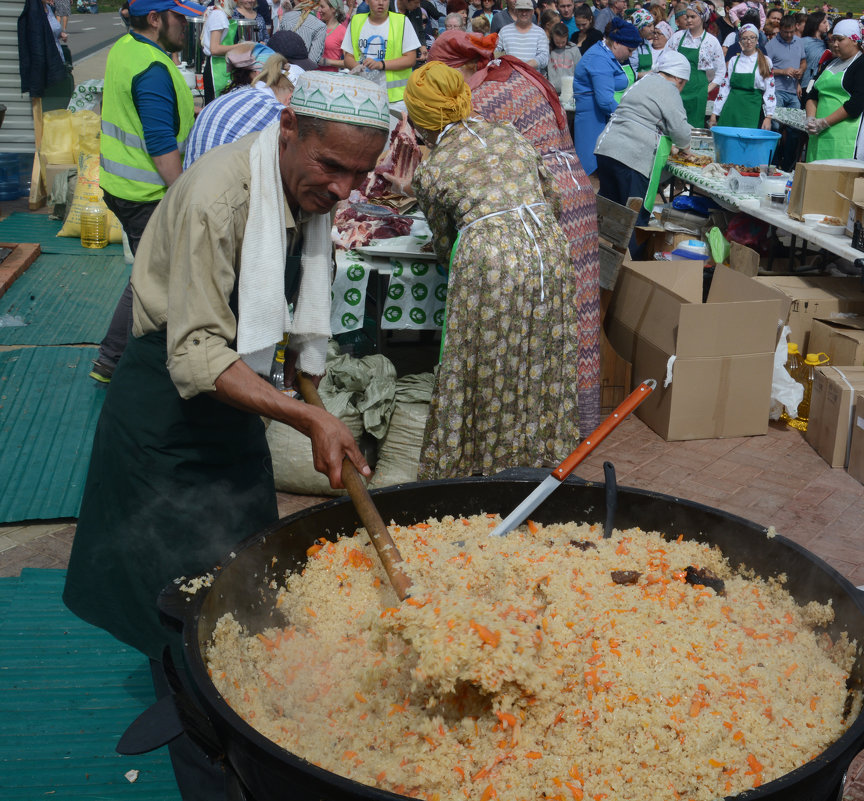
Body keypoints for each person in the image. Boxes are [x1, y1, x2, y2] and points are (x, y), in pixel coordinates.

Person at [63, 79, 389, 801]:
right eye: (332, 166)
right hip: (166, 415)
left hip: (233, 404)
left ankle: (250, 731)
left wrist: (313, 395)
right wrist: (307, 419)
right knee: (179, 611)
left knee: (243, 577)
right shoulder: (220, 196)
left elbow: (288, 323)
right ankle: (211, 770)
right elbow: (198, 355)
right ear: (290, 126)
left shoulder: (301, 195)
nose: (342, 188)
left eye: (360, 174)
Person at [403, 61, 581, 479]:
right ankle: (540, 464)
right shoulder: (507, 132)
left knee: (485, 365)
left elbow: (446, 248)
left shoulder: (432, 171)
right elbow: (551, 197)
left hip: (492, 262)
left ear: (419, 119)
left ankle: (483, 467)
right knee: (540, 360)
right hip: (549, 254)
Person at [428, 29, 603, 435]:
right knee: (573, 312)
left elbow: (463, 160)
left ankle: (539, 425)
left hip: (546, 200)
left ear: (465, 68)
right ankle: (566, 420)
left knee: (550, 314)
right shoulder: (509, 74)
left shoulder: (487, 95)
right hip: (569, 191)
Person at [89, 0, 203, 385]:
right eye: (179, 18)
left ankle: (112, 357)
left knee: (149, 271)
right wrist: (184, 193)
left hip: (121, 187)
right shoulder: (153, 68)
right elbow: (159, 142)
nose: (185, 25)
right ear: (155, 20)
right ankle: (114, 359)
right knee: (155, 278)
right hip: (146, 194)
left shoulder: (127, 49)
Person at [595, 49, 691, 250]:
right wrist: (685, 148)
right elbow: (680, 130)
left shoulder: (643, 82)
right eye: (683, 84)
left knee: (613, 215)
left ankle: (605, 263)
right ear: (678, 78)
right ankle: (630, 271)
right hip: (632, 156)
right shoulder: (668, 88)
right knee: (633, 219)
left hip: (607, 148)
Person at [184, 52, 302, 167]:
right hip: (221, 181)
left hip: (188, 181)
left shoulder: (232, 96)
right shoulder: (277, 113)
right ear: (290, 98)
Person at [572, 16, 641, 175]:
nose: (630, 55)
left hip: (600, 118)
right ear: (616, 43)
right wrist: (628, 119)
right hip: (592, 121)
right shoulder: (599, 58)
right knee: (591, 171)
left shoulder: (604, 53)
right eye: (630, 50)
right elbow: (604, 101)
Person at [805, 19, 864, 162]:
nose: (835, 44)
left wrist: (824, 123)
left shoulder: (861, 64)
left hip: (843, 138)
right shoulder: (831, 63)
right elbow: (813, 95)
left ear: (854, 40)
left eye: (840, 40)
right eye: (833, 39)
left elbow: (856, 104)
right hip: (818, 136)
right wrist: (811, 120)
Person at [342, 0, 419, 102]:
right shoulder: (356, 21)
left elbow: (411, 59)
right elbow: (348, 57)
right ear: (367, 1)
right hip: (362, 94)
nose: (381, 3)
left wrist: (381, 64)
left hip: (394, 99)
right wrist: (357, 67)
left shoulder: (402, 21)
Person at [665, 1, 724, 127]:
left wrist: (705, 90)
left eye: (693, 17)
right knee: (673, 126)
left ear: (702, 18)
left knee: (693, 128)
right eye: (687, 17)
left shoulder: (711, 42)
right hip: (676, 91)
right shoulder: (677, 37)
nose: (689, 20)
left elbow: (721, 71)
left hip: (698, 94)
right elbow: (664, 61)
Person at [710, 23, 774, 129]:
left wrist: (768, 117)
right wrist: (714, 113)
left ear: (757, 39)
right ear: (740, 41)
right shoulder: (733, 61)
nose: (749, 41)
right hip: (731, 108)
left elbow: (770, 90)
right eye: (745, 38)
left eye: (752, 38)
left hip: (752, 110)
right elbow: (724, 89)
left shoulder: (765, 61)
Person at [766, 14, 804, 169]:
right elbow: (765, 69)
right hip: (777, 90)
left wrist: (800, 72)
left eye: (791, 32)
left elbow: (803, 61)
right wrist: (783, 71)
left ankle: (787, 165)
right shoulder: (771, 45)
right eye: (785, 32)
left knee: (795, 129)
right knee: (775, 128)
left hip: (793, 91)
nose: (788, 35)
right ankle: (772, 163)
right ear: (780, 29)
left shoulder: (799, 42)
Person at [202, 0, 248, 104]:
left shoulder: (221, 14)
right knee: (217, 104)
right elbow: (214, 48)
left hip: (224, 65)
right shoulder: (219, 15)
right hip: (217, 68)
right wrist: (239, 47)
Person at [496, 0, 549, 70]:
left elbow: (544, 57)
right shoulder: (504, 31)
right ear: (516, 11)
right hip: (509, 76)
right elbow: (495, 51)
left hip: (532, 76)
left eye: (527, 10)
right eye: (521, 10)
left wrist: (527, 65)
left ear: (533, 12)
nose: (524, 13)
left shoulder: (540, 33)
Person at [801, 10, 829, 94]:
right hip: (806, 83)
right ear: (816, 23)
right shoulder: (804, 42)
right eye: (824, 22)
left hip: (821, 83)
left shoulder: (827, 42)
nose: (827, 25)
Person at [548, 21, 580, 91]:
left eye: (563, 42)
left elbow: (579, 69)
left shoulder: (573, 49)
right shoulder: (548, 49)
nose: (560, 45)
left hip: (570, 90)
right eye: (557, 42)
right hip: (553, 90)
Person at [318, 0, 349, 68]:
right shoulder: (317, 27)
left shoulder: (342, 31)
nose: (319, 10)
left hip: (329, 76)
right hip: (311, 75)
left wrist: (328, 62)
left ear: (333, 9)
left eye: (322, 7)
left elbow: (349, 62)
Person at [628, 8, 655, 77]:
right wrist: (642, 75)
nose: (652, 29)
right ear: (639, 28)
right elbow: (626, 72)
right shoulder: (630, 45)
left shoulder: (647, 44)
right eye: (649, 26)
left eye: (652, 25)